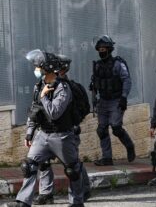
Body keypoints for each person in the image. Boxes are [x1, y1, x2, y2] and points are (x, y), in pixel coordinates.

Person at [8, 49, 84, 207]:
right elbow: (34, 110)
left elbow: (54, 113)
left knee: (73, 170)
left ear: (47, 69)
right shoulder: (39, 86)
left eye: (38, 67)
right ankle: (23, 202)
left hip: (62, 137)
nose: (36, 70)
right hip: (43, 135)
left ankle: (77, 202)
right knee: (29, 166)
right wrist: (29, 133)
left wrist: (44, 97)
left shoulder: (63, 88)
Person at [33, 55, 91, 205]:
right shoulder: (44, 83)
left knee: (72, 166)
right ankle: (46, 193)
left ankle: (83, 191)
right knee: (43, 162)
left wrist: (73, 123)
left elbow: (80, 109)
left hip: (66, 131)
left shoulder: (69, 86)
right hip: (46, 132)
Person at [90, 35, 135, 166]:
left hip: (116, 100)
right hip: (103, 101)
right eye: (100, 49)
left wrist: (124, 97)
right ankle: (107, 158)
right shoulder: (97, 66)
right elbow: (94, 84)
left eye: (104, 48)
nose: (101, 51)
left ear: (109, 49)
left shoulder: (118, 64)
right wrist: (94, 100)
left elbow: (127, 80)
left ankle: (129, 146)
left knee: (116, 127)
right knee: (101, 130)